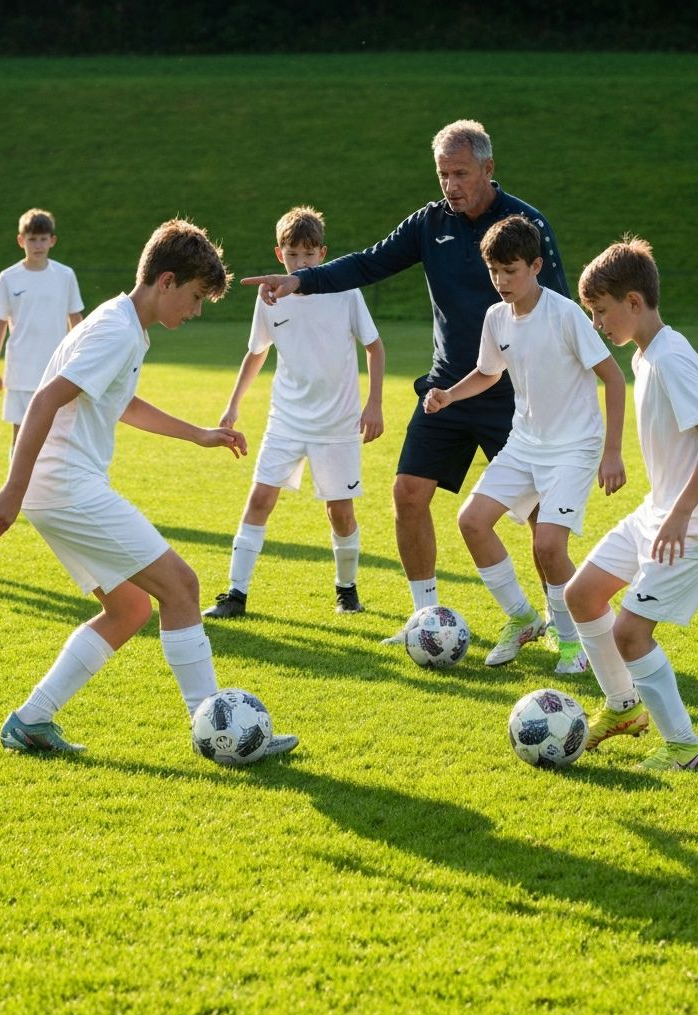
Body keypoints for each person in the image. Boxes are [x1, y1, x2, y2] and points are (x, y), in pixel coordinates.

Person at [0, 218, 298, 758]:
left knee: (128, 610)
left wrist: (196, 433)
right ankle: (216, 733)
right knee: (182, 585)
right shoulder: (117, 330)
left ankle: (30, 721)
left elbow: (117, 401)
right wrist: (13, 487)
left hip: (58, 487)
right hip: (65, 486)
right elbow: (42, 400)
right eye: (195, 298)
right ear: (166, 281)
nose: (194, 312)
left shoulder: (123, 323)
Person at [242, 119, 569, 643]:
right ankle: (426, 620)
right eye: (443, 174)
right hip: (447, 390)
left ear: (488, 169)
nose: (451, 185)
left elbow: (559, 311)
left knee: (536, 514)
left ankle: (559, 621)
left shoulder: (525, 226)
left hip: (513, 396)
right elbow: (369, 263)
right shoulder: (428, 224)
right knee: (409, 493)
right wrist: (300, 280)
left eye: (461, 173)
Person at [565, 236, 698, 770]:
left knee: (630, 632)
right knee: (582, 595)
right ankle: (623, 708)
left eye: (601, 312)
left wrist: (683, 512)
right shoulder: (646, 356)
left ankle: (684, 747)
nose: (598, 324)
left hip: (694, 522)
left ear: (634, 303)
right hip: (660, 511)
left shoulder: (670, 361)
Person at [424, 215, 626, 672]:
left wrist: (612, 453)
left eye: (510, 271)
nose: (500, 281)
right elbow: (488, 371)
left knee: (549, 547)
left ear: (536, 266)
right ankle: (522, 619)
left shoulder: (566, 315)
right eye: (494, 271)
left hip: (575, 448)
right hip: (525, 443)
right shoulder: (496, 317)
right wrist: (449, 395)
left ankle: (574, 644)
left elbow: (614, 379)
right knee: (472, 521)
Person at [204, 206, 385, 620]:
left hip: (338, 422)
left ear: (323, 253)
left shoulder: (345, 290)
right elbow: (256, 353)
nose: (299, 262)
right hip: (286, 418)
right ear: (278, 253)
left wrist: (374, 403)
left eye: (308, 254)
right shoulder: (268, 296)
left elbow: (374, 347)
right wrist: (233, 405)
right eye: (291, 255)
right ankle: (235, 593)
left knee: (340, 511)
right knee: (260, 498)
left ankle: (346, 589)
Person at [0, 208, 84, 450]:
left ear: (52, 240)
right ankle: (18, 488)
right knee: (20, 439)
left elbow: (76, 320)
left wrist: (81, 362)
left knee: (57, 439)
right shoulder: (8, 278)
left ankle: (50, 488)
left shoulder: (65, 275)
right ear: (21, 241)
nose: (37, 245)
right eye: (32, 239)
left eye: (42, 239)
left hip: (56, 371)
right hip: (20, 371)